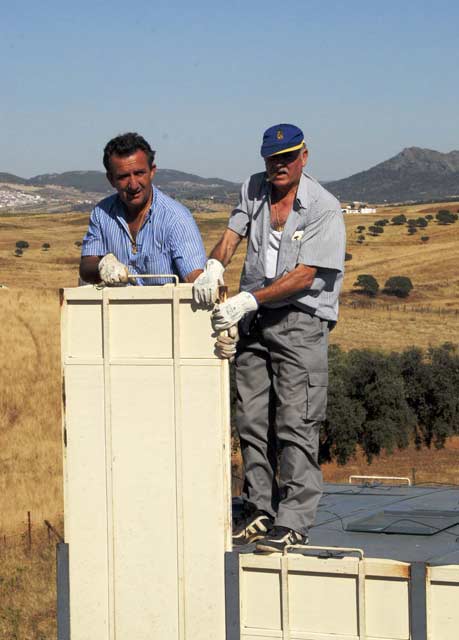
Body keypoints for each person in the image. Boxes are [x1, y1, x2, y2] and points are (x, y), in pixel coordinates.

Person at [193, 124, 346, 552]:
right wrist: (214, 266)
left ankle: (294, 518)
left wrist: (247, 301)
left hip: (299, 320)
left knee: (297, 421)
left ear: (304, 156)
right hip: (256, 318)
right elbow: (231, 236)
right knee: (251, 418)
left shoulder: (323, 208)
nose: (279, 165)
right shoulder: (253, 189)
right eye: (272, 158)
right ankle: (259, 506)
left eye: (288, 157)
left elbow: (304, 277)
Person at [80, 132, 206, 286]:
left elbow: (193, 275)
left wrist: (206, 281)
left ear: (152, 171)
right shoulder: (102, 213)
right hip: (114, 309)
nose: (133, 185)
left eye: (139, 173)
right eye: (123, 176)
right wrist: (102, 265)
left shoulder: (176, 218)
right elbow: (86, 266)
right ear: (111, 179)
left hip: (166, 309)